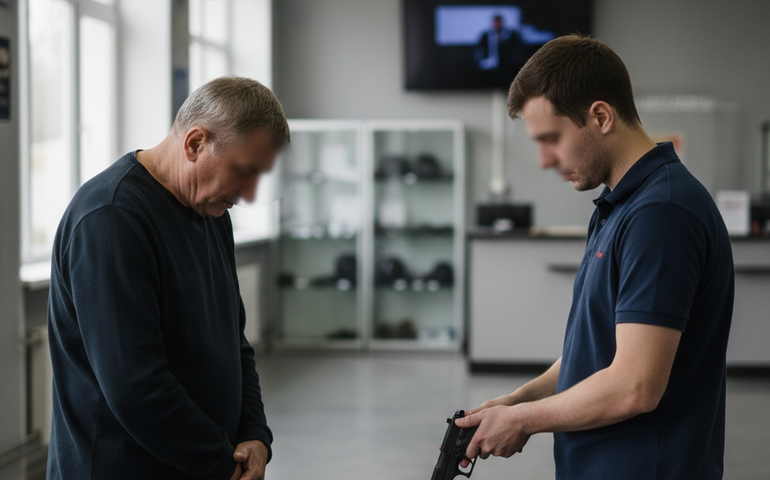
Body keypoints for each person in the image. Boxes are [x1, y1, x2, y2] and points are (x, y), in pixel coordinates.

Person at [456, 35, 734, 479]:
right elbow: (600, 348)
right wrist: (519, 400)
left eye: (552, 139)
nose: (546, 160)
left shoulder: (661, 213)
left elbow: (635, 385)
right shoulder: (619, 205)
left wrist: (525, 421)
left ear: (600, 115)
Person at [47, 76, 290, 480]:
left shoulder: (211, 212)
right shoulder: (111, 218)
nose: (247, 194)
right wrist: (220, 463)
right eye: (243, 171)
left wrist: (254, 434)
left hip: (198, 464)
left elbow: (235, 342)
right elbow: (136, 387)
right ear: (195, 143)